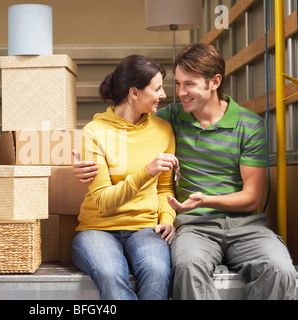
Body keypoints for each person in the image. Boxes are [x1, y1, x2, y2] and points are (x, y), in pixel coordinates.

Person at [73, 43, 296, 300]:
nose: (178, 93)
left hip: (245, 225)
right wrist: (80, 167)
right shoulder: (169, 120)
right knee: (187, 268)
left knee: (279, 269)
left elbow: (253, 197)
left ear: (215, 82)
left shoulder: (249, 125)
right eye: (177, 84)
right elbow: (124, 124)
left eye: (188, 84)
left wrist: (206, 200)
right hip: (193, 226)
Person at [71, 55, 178, 300]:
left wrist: (168, 218)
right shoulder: (95, 132)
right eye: (157, 88)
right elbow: (104, 202)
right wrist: (146, 172)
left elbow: (164, 190)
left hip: (144, 228)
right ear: (134, 93)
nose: (163, 95)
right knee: (110, 273)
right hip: (97, 229)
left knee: (157, 270)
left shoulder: (163, 130)